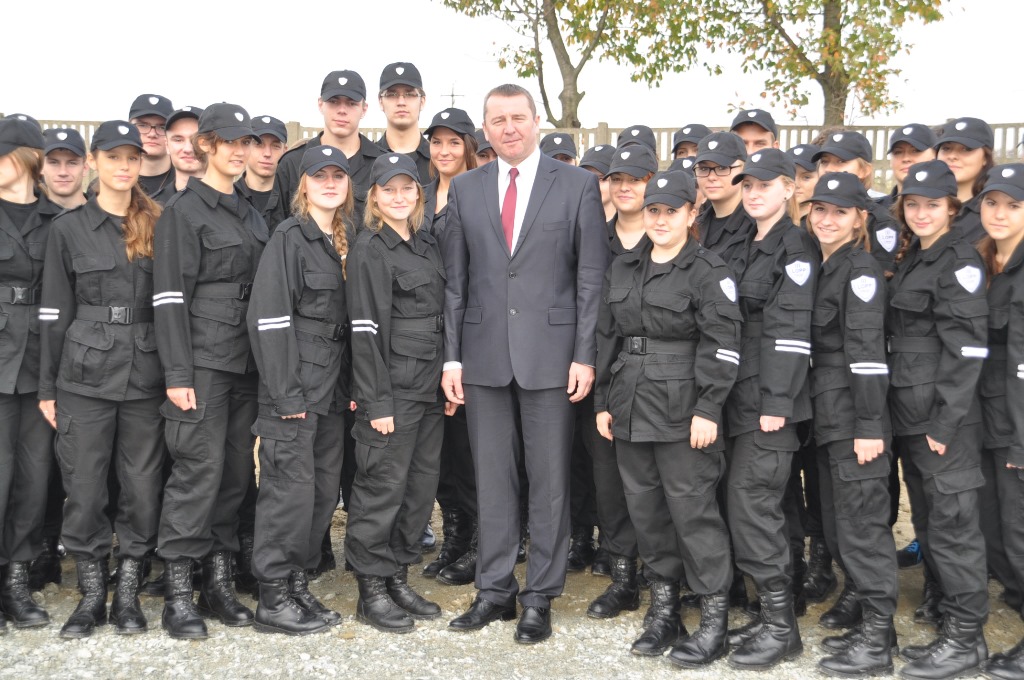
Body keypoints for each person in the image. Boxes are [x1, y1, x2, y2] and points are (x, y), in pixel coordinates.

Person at [441, 83, 608, 644]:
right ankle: (494, 591)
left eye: (518, 117)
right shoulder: (466, 189)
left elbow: (590, 279)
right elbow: (456, 284)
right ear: (485, 130)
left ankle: (540, 595)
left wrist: (584, 354)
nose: (509, 128)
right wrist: (452, 358)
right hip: (483, 355)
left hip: (553, 358)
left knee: (549, 481)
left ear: (536, 122)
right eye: (498, 120)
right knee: (492, 479)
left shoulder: (577, 185)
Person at [595, 170, 740, 665]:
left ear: (691, 213)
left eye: (671, 211)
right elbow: (607, 338)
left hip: (684, 410)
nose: (660, 220)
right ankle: (665, 611)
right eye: (653, 211)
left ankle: (714, 621)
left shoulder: (708, 270)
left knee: (692, 513)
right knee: (647, 513)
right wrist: (602, 402)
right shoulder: (624, 267)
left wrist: (709, 409)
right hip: (630, 405)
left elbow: (723, 344)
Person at [37, 121, 165, 638]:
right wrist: (48, 388)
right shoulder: (67, 229)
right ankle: (91, 595)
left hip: (145, 375)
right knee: (85, 488)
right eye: (113, 157)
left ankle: (128, 593)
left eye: (131, 158)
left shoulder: (159, 223)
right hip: (83, 377)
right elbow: (53, 312)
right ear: (94, 162)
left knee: (142, 488)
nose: (124, 166)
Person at [152, 103, 269, 640]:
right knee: (197, 472)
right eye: (230, 142)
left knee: (235, 475)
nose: (240, 151)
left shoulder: (249, 211)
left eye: (246, 143)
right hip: (202, 362)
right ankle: (179, 593)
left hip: (245, 361)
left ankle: (218, 585)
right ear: (206, 146)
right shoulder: (184, 211)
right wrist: (178, 374)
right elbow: (169, 298)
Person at [886, 160, 989, 680]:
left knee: (954, 529)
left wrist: (945, 424)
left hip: (944, 422)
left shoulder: (959, 261)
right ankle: (950, 622)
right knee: (928, 524)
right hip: (912, 417)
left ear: (952, 208)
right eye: (913, 203)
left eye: (932, 204)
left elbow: (967, 351)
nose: (921, 212)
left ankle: (968, 640)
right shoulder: (915, 257)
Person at [246, 144, 354, 636]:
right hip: (294, 387)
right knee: (287, 492)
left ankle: (295, 582)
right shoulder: (290, 237)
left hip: (331, 389)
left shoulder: (345, 239)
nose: (329, 183)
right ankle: (272, 597)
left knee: (320, 492)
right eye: (319, 176)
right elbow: (269, 318)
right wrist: (285, 393)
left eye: (338, 176)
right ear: (303, 185)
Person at [721, 148, 817, 669]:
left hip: (769, 402)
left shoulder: (794, 246)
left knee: (751, 502)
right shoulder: (746, 242)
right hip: (740, 396)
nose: (754, 193)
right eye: (749, 185)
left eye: (765, 185)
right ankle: (771, 615)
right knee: (756, 506)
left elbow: (791, 330)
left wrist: (778, 402)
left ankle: (782, 628)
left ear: (789, 188)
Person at [801, 172, 899, 676]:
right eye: (820, 209)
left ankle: (879, 641)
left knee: (862, 529)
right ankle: (871, 625)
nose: (827, 219)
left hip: (852, 417)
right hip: (828, 414)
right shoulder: (824, 264)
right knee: (842, 529)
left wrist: (868, 425)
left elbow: (866, 354)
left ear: (860, 218)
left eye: (840, 212)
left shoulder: (860, 270)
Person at [345, 153, 446, 633]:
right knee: (380, 487)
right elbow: (364, 331)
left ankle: (398, 578)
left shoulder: (426, 244)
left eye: (407, 188)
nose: (399, 196)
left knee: (418, 489)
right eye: (389, 189)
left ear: (419, 195)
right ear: (374, 196)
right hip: (392, 390)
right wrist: (376, 402)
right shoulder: (370, 248)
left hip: (428, 387)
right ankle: (371, 589)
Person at [413, 107, 479, 581]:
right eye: (436, 142)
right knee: (439, 452)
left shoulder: (480, 195)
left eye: (454, 141)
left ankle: (480, 541)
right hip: (423, 336)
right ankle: (454, 534)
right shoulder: (416, 194)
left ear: (469, 146)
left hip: (470, 335)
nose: (444, 150)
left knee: (469, 447)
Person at [0, 118, 59, 634]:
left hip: (40, 363)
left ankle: (16, 582)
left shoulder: (56, 220)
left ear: (25, 158)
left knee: (33, 479)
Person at [975, 163, 1024, 680]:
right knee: (995, 530)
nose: (1000, 213)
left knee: (1019, 531)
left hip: (1017, 424)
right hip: (987, 421)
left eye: (1014, 205)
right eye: (992, 202)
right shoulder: (985, 261)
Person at [276, 70, 382, 218]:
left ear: (364, 109)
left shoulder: (381, 163)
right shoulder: (293, 163)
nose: (342, 110)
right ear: (320, 104)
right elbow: (277, 223)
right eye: (333, 102)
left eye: (351, 103)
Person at [813, 132, 899, 274]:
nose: (829, 169)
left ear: (864, 170)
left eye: (841, 161)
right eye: (824, 162)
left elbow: (882, 275)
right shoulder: (811, 217)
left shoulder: (881, 223)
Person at [693, 132, 752, 269]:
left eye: (722, 168)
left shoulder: (756, 227)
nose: (711, 177)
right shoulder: (694, 225)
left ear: (743, 169)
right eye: (703, 169)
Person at [935, 117, 994, 245]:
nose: (952, 156)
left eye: (966, 149)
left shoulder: (995, 212)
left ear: (985, 158)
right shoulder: (919, 205)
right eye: (946, 148)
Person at [376, 62, 431, 183]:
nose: (401, 102)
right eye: (392, 94)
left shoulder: (438, 161)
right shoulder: (368, 161)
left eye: (409, 94)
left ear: (422, 101)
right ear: (381, 102)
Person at [237, 115, 289, 230]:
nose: (267, 153)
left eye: (275, 146)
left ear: (285, 151)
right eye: (259, 144)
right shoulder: (228, 197)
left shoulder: (293, 202)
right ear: (245, 147)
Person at [151, 106, 205, 205]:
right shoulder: (153, 207)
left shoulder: (232, 202)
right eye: (178, 140)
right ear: (167, 145)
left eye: (196, 140)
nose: (188, 149)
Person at [879, 124, 937, 211]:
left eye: (915, 151)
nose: (906, 159)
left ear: (935, 156)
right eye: (898, 152)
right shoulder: (873, 212)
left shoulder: (951, 211)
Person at [128, 93, 175, 198]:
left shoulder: (185, 182)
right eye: (142, 125)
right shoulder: (108, 184)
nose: (152, 134)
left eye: (162, 127)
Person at [41, 128, 87, 209]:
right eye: (53, 163)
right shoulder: (29, 216)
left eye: (72, 163)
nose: (63, 172)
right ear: (40, 167)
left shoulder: (105, 213)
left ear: (85, 168)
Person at [579, 144, 615, 221]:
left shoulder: (630, 225)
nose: (592, 184)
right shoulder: (572, 222)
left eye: (601, 179)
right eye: (586, 177)